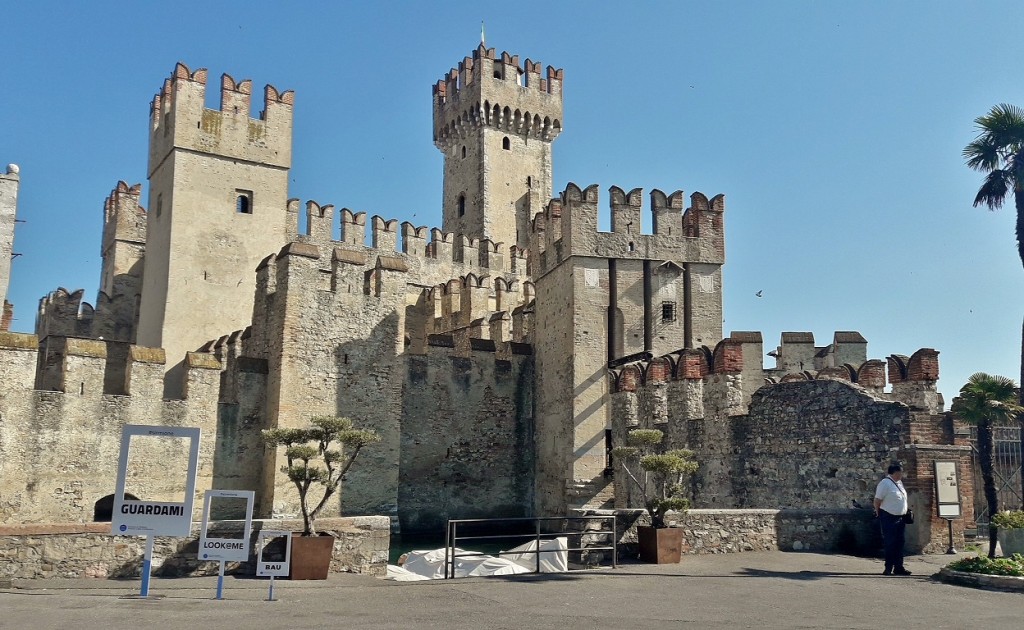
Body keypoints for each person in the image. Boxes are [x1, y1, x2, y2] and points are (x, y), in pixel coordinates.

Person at [873, 462, 911, 576]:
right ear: (894, 473)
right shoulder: (885, 483)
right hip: (889, 517)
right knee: (890, 543)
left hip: (900, 518)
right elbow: (877, 500)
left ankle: (899, 567)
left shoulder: (899, 483)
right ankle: (888, 568)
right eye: (900, 473)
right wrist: (879, 513)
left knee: (900, 543)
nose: (901, 475)